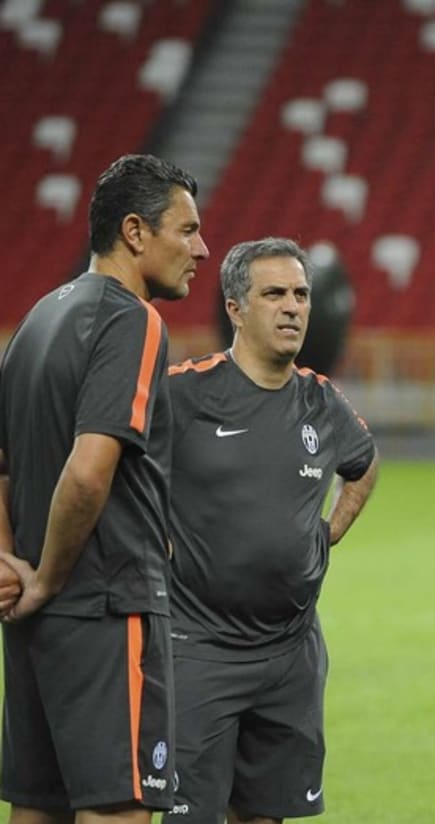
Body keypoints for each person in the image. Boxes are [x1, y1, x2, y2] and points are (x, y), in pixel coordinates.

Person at [0, 154, 209, 824]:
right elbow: (90, 471)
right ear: (135, 232)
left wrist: (10, 563)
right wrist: (50, 578)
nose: (201, 249)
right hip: (104, 606)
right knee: (117, 808)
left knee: (37, 808)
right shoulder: (132, 319)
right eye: (187, 229)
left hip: (34, 625)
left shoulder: (36, 320)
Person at [162, 237, 378, 824]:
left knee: (267, 816)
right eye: (274, 294)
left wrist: (329, 530)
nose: (293, 308)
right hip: (200, 650)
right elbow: (115, 469)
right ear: (234, 308)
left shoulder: (322, 401)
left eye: (302, 295)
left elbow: (363, 465)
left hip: (291, 653)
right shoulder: (183, 393)